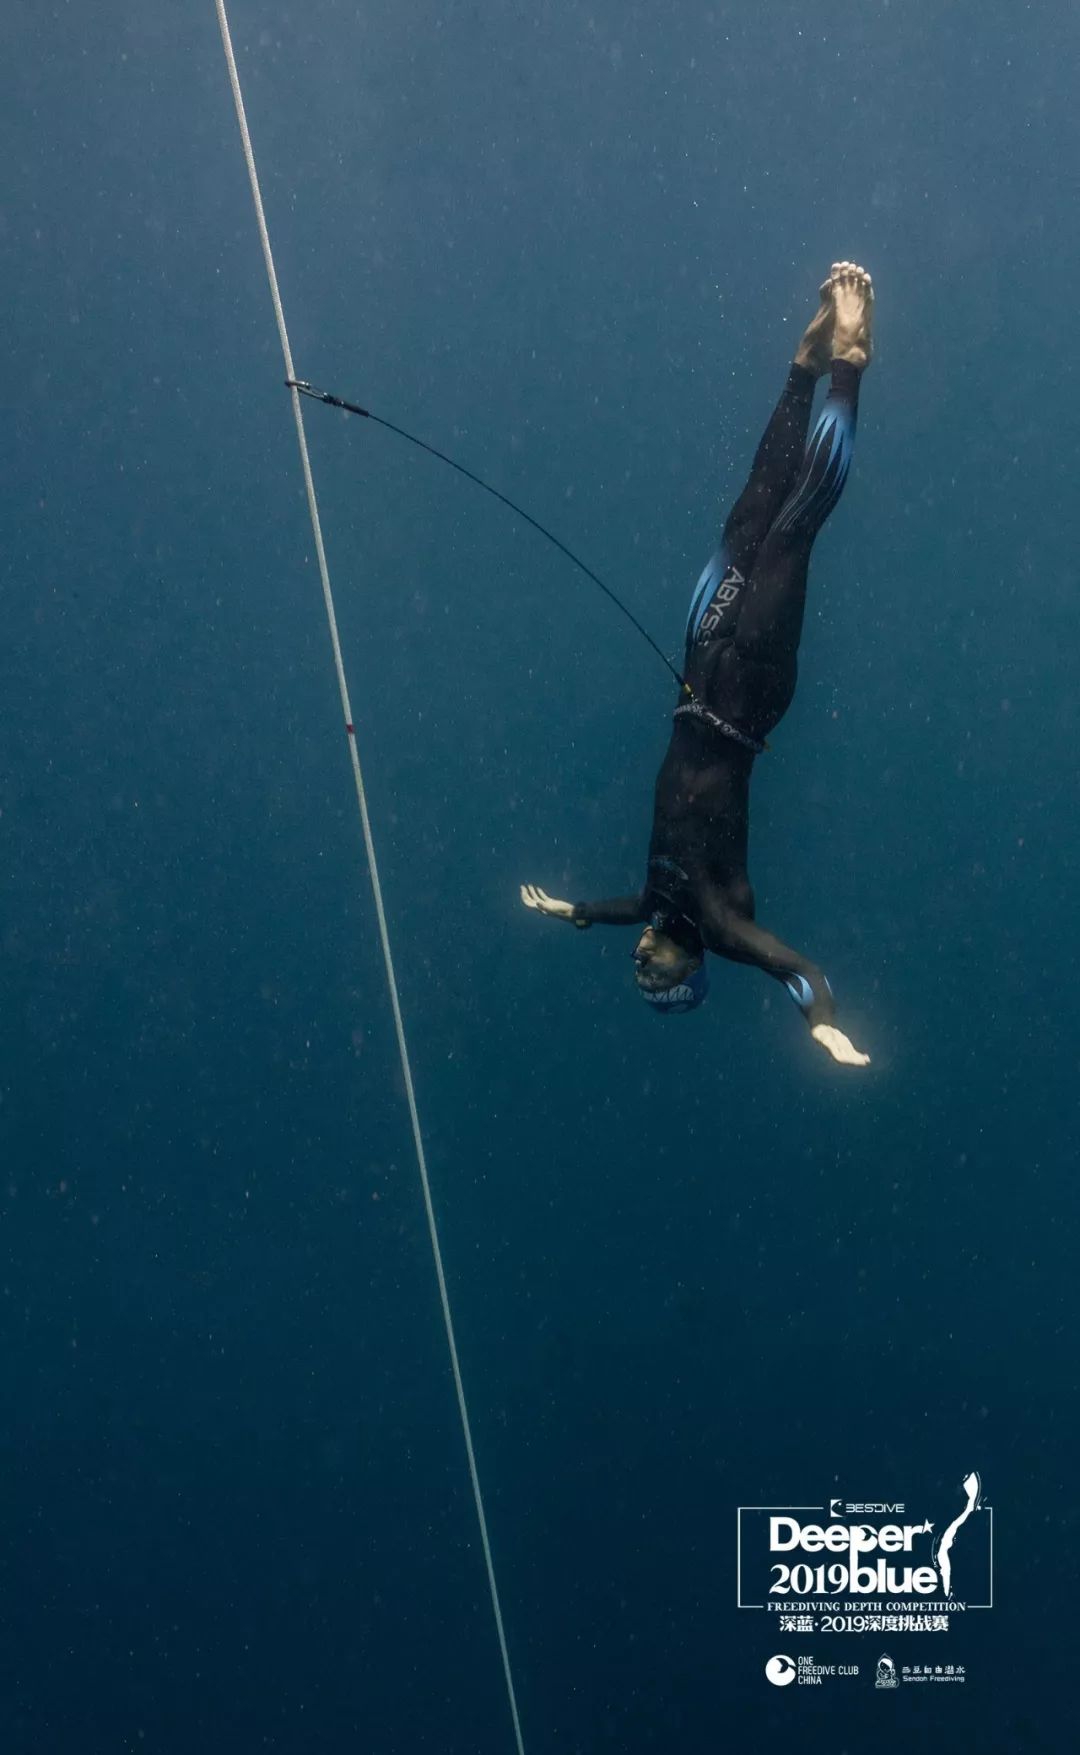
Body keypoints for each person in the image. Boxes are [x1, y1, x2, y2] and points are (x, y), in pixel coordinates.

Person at [521, 262, 874, 1066]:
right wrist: (820, 1020)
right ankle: (851, 359)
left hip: (695, 669)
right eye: (659, 977)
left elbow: (614, 910)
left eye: (643, 972)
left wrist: (569, 909)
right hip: (750, 697)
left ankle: (803, 364)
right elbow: (795, 968)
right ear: (694, 968)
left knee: (749, 511)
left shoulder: (654, 900)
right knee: (791, 532)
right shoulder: (721, 922)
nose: (643, 961)